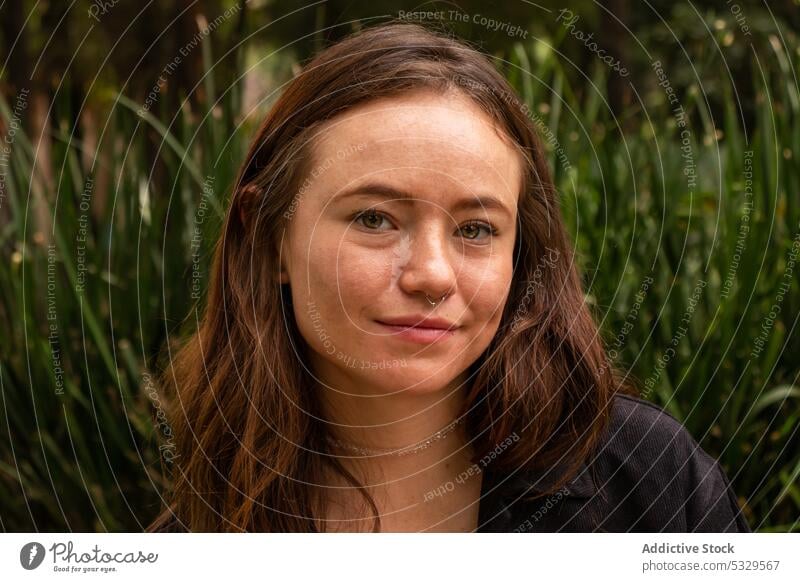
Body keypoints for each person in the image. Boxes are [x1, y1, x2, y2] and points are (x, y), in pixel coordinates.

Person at [148, 22, 749, 533]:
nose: (431, 276)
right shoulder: (202, 527)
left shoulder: (653, 485)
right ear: (267, 236)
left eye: (476, 229)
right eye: (375, 218)